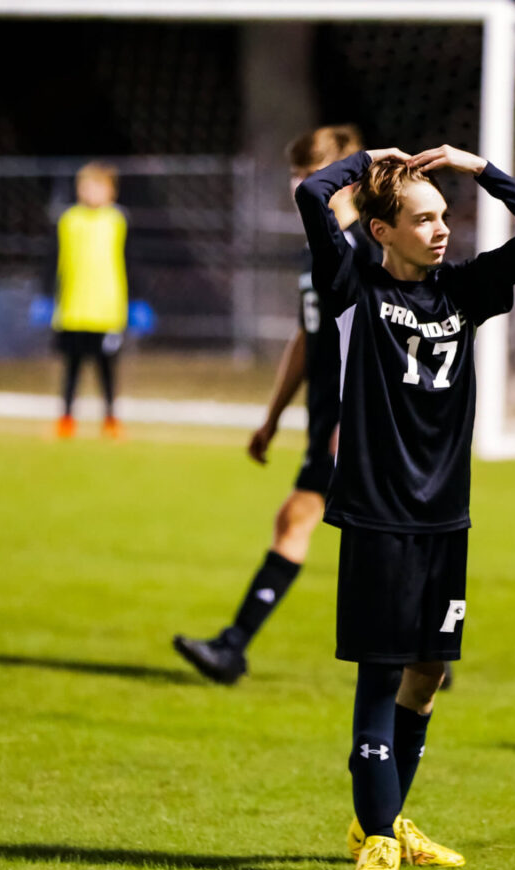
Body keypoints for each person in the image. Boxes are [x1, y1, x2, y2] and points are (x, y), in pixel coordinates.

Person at [295, 144, 515, 870]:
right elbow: (313, 195)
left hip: (446, 517)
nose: (442, 229)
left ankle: (379, 817)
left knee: (428, 673)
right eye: (422, 219)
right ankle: (378, 837)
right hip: (379, 515)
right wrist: (365, 159)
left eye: (445, 216)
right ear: (381, 231)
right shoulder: (352, 285)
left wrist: (480, 171)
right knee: (380, 676)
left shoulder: (466, 290)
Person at [172, 125, 368, 684]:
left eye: (311, 175)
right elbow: (307, 338)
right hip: (327, 420)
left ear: (345, 179)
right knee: (371, 536)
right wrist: (272, 417)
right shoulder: (319, 251)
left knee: (314, 524)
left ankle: (232, 647)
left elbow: (375, 347)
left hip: (355, 426)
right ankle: (421, 648)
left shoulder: (363, 251)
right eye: (294, 175)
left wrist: (351, 426)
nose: (297, 186)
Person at [52, 162, 128, 440]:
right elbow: (55, 260)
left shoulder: (117, 221)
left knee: (107, 371)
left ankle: (110, 420)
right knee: (71, 370)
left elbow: (129, 262)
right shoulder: (69, 220)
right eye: (86, 185)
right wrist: (48, 295)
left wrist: (138, 299)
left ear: (111, 191)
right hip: (72, 311)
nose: (91, 192)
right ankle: (66, 420)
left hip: (107, 312)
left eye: (98, 186)